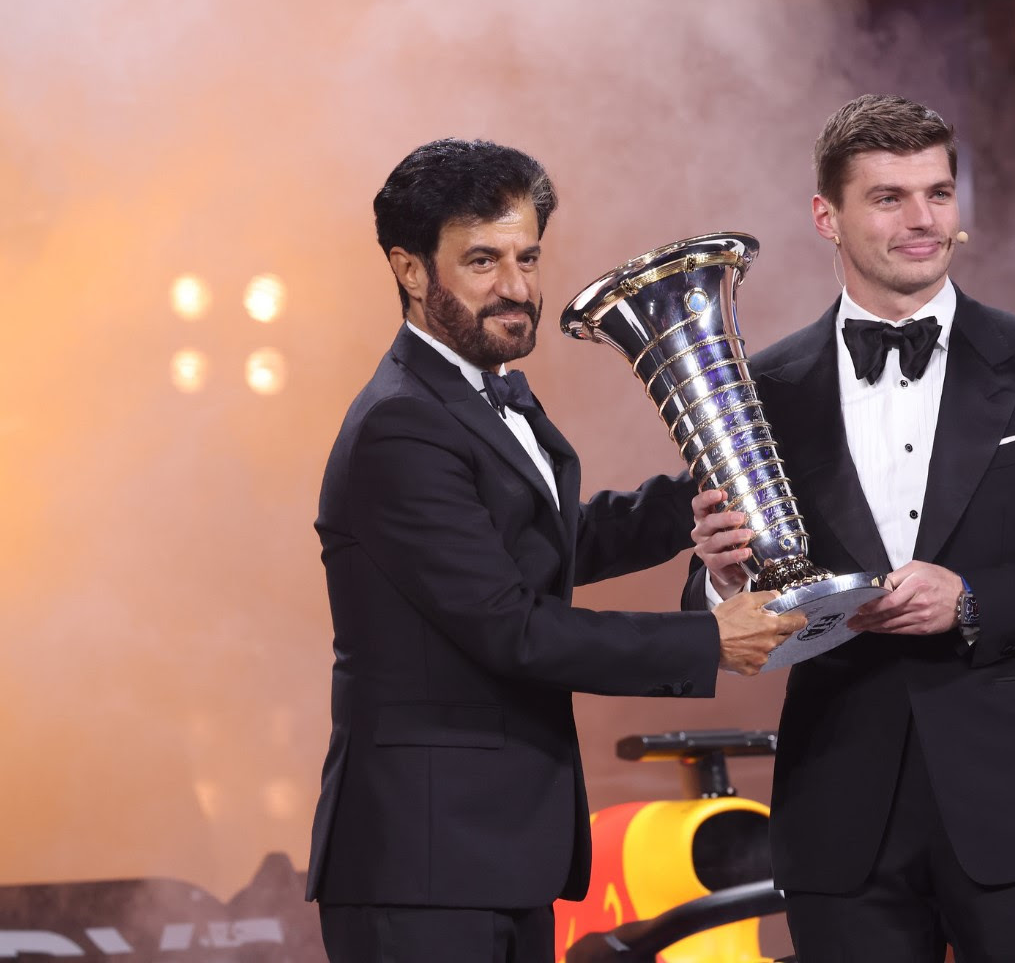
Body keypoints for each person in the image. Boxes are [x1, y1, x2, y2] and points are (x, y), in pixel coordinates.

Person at [688, 96, 1015, 962]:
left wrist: (973, 598)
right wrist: (721, 577)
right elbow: (740, 601)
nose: (923, 222)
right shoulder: (764, 389)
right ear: (825, 216)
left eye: (938, 194)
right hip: (839, 812)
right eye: (890, 198)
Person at [307, 138, 803, 963]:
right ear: (408, 268)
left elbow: (544, 540)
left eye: (527, 256)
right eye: (481, 261)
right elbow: (511, 626)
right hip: (422, 866)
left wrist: (702, 494)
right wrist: (709, 640)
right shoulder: (400, 426)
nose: (518, 287)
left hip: (491, 851)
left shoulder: (480, 388)